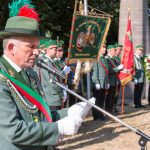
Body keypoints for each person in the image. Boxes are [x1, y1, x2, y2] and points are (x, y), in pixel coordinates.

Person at [0, 1, 95, 150]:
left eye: (37, 47)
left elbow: (38, 116)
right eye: (31, 46)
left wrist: (66, 112)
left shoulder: (29, 73)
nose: (37, 52)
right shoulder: (2, 79)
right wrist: (58, 129)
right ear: (12, 48)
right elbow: (14, 130)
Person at [91, 43, 109, 121]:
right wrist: (96, 82)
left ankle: (100, 114)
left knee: (101, 100)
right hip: (98, 82)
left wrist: (107, 82)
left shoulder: (104, 58)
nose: (105, 49)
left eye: (105, 47)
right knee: (97, 100)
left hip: (104, 82)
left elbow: (106, 72)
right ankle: (97, 116)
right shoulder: (96, 58)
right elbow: (95, 71)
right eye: (103, 47)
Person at [105, 45, 124, 114]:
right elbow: (109, 70)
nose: (115, 51)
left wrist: (120, 68)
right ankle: (108, 111)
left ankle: (111, 111)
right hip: (110, 80)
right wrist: (117, 68)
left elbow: (116, 70)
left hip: (115, 80)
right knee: (109, 97)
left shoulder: (113, 58)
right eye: (114, 50)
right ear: (110, 50)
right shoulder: (107, 59)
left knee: (113, 96)